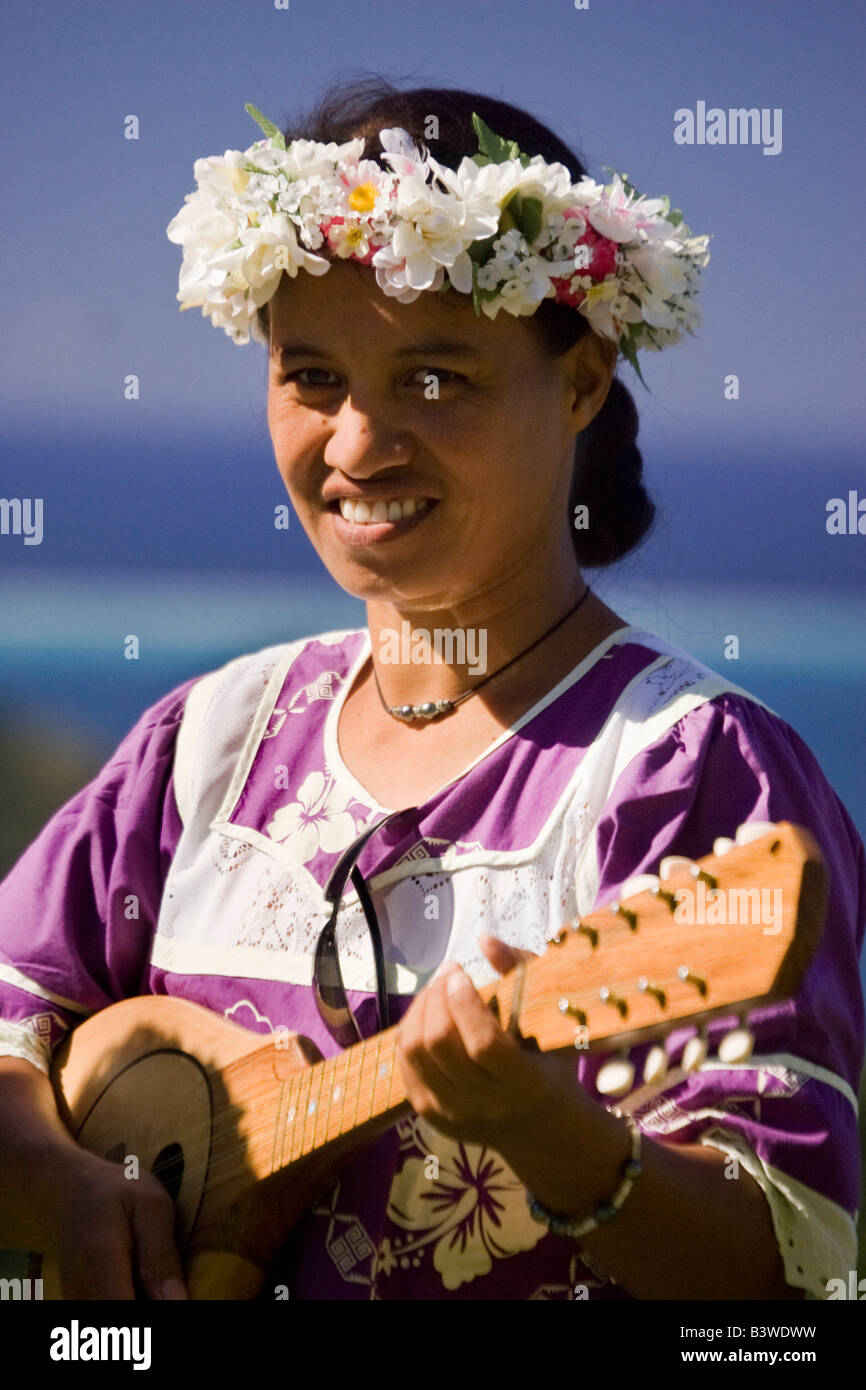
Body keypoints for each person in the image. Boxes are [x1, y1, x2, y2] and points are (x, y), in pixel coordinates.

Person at [0, 78, 862, 1302]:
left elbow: (788, 1285)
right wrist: (63, 1185)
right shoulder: (208, 739)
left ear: (579, 384)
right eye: (311, 376)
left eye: (434, 380)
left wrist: (551, 1133)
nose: (355, 444)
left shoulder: (692, 772)